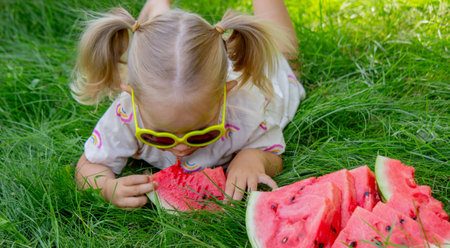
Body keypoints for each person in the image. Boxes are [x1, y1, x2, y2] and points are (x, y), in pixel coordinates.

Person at [71, 0, 305, 208]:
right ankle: (158, 5)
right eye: (159, 136)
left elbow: (272, 154)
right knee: (165, 50)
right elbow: (88, 167)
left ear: (225, 96)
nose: (181, 148)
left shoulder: (245, 111)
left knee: (283, 56)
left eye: (200, 134)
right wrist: (107, 188)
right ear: (134, 100)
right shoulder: (126, 116)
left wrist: (253, 159)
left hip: (272, 80)